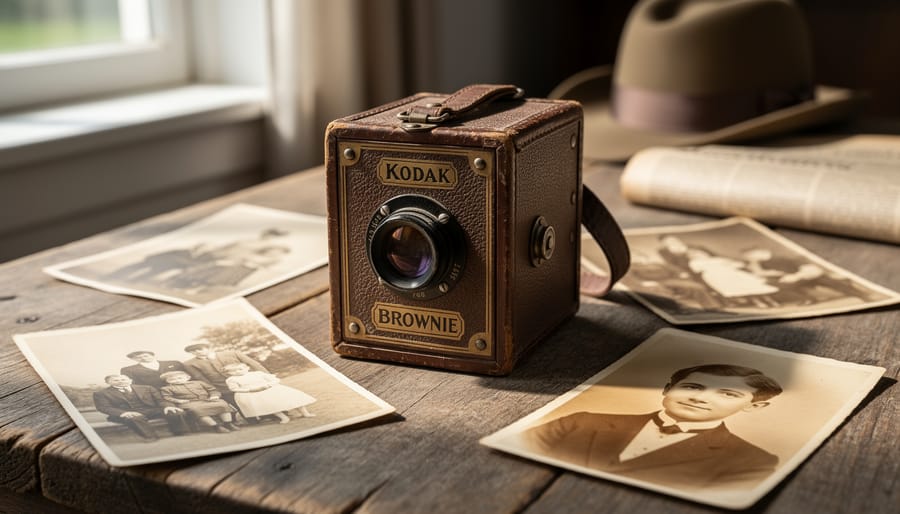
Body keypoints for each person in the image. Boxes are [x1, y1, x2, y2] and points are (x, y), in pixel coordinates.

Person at [523, 364, 783, 489]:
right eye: (692, 387)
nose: (700, 397)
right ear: (667, 389)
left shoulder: (753, 462)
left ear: (754, 406)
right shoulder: (581, 420)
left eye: (728, 394)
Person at [92, 374, 190, 441]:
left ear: (130, 380)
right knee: (135, 418)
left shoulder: (147, 388)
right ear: (108, 382)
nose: (120, 382)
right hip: (124, 413)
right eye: (115, 380)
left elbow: (160, 400)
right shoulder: (101, 393)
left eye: (123, 379)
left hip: (150, 410)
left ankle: (181, 432)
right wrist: (123, 413)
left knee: (175, 412)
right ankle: (150, 437)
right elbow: (104, 407)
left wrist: (168, 406)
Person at [223, 363, 316, 424]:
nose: (237, 372)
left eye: (240, 369)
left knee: (292, 400)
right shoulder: (231, 379)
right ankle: (283, 417)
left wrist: (269, 385)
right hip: (253, 392)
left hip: (270, 389)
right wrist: (250, 390)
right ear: (228, 373)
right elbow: (234, 389)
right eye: (232, 371)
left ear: (247, 368)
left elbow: (275, 379)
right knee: (270, 405)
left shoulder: (257, 373)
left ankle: (305, 413)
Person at [158, 371, 239, 433]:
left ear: (187, 377)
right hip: (188, 403)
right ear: (167, 381)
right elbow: (167, 397)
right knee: (197, 409)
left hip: (207, 400)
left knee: (222, 404)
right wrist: (178, 400)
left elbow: (212, 390)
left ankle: (228, 423)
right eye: (172, 379)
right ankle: (215, 426)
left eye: (180, 378)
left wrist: (214, 396)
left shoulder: (199, 382)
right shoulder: (166, 388)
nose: (177, 380)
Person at [120, 350, 187, 389]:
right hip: (155, 394)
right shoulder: (128, 370)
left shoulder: (174, 363)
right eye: (138, 357)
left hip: (183, 389)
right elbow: (134, 386)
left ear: (153, 355)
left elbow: (188, 376)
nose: (143, 358)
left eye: (145, 356)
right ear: (133, 359)